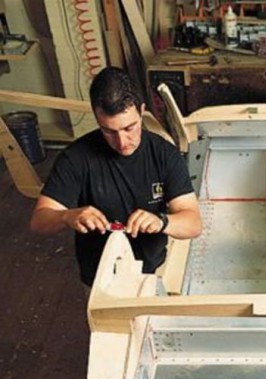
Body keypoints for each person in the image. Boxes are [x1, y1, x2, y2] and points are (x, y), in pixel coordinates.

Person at [30, 66, 202, 286]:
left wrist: (162, 221)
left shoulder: (164, 154)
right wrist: (66, 216)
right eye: (109, 131)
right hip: (99, 278)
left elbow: (193, 223)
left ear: (141, 111)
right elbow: (39, 221)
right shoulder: (75, 158)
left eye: (129, 128)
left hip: (154, 271)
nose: (121, 142)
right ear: (96, 117)